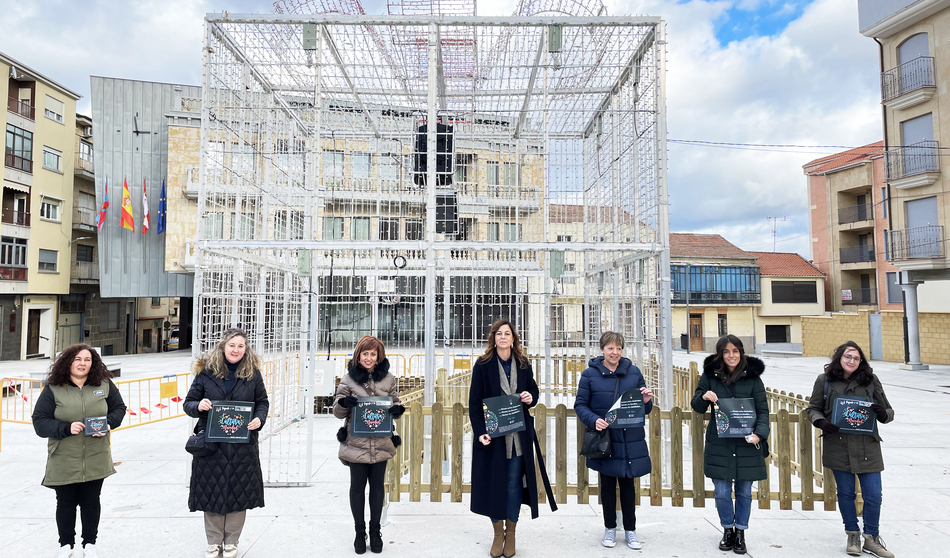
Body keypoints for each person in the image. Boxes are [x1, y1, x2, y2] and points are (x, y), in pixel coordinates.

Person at [469, 319, 556, 558]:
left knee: (513, 483)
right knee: (495, 483)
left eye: (507, 333)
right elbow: (475, 402)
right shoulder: (483, 365)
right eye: (499, 333)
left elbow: (534, 391)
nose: (503, 337)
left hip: (519, 435)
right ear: (493, 338)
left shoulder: (524, 364)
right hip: (495, 437)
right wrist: (480, 432)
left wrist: (530, 396)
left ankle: (512, 531)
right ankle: (498, 533)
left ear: (514, 338)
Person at [32, 343, 127, 558]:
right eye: (77, 359)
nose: (82, 364)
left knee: (91, 501)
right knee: (65, 503)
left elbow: (119, 409)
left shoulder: (104, 384)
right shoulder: (54, 388)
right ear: (68, 362)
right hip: (64, 457)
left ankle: (89, 544)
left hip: (96, 455)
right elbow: (40, 422)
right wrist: (66, 428)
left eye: (87, 360)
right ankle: (66, 544)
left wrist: (109, 423)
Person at [184, 328, 269, 558]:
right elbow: (188, 403)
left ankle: (231, 541)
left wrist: (259, 419)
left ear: (246, 349)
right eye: (232, 345)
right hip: (212, 445)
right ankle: (214, 542)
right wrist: (198, 405)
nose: (236, 350)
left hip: (242, 445)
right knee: (211, 493)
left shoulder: (253, 374)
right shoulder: (206, 372)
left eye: (241, 346)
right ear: (223, 346)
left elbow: (262, 401)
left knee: (238, 494)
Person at [806, 341, 895, 558]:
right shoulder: (824, 381)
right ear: (839, 358)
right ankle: (852, 534)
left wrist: (883, 415)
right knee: (846, 494)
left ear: (861, 361)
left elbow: (888, 410)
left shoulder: (871, 381)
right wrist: (821, 422)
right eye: (848, 357)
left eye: (856, 358)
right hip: (838, 445)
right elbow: (813, 409)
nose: (852, 361)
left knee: (874, 495)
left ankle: (872, 538)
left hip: (868, 447)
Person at [690, 335, 769, 555]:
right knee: (722, 492)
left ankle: (741, 532)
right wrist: (703, 397)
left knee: (744, 492)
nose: (731, 355)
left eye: (735, 351)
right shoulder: (710, 376)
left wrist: (760, 435)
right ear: (720, 354)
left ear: (741, 352)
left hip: (746, 442)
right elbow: (696, 406)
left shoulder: (753, 379)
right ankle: (727, 529)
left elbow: (763, 410)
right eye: (726, 351)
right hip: (720, 443)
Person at [574, 332, 653, 550]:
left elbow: (643, 408)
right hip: (606, 440)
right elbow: (580, 405)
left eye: (618, 348)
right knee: (607, 486)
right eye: (610, 348)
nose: (615, 353)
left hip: (629, 439)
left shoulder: (634, 373)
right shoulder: (590, 375)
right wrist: (594, 420)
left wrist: (647, 401)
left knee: (628, 485)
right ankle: (610, 528)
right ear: (602, 350)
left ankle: (630, 530)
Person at [333, 335, 405, 554]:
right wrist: (344, 403)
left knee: (376, 488)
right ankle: (359, 531)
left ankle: (375, 531)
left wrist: (398, 410)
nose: (369, 358)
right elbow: (337, 411)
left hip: (381, 442)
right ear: (358, 355)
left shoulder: (388, 379)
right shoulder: (348, 380)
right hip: (357, 443)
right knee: (357, 487)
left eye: (373, 354)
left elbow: (396, 401)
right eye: (365, 353)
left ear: (379, 356)